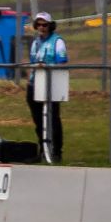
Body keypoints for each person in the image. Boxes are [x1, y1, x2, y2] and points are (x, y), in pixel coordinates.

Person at [26, 12, 68, 163]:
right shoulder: (35, 42)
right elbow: (32, 62)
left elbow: (62, 63)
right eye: (39, 24)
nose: (41, 27)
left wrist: (47, 67)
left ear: (50, 26)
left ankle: (56, 151)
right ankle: (43, 150)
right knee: (38, 120)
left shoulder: (57, 42)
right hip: (34, 83)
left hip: (51, 83)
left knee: (53, 118)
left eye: (45, 25)